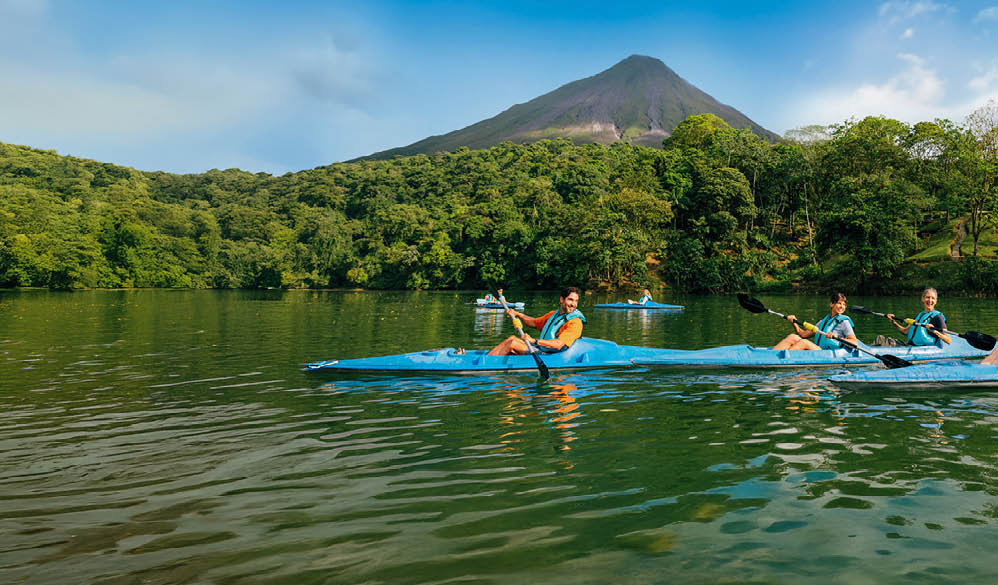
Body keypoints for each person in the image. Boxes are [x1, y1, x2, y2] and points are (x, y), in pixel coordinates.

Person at [488, 286, 585, 355]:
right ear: (562, 300)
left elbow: (558, 344)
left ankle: (487, 364)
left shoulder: (575, 322)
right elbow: (534, 322)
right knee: (512, 338)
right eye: (570, 300)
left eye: (576, 301)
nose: (573, 304)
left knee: (512, 344)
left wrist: (534, 341)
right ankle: (489, 358)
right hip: (543, 348)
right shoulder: (554, 314)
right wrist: (518, 314)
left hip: (551, 354)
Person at [773, 292, 859, 350]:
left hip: (828, 353)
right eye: (839, 303)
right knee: (792, 337)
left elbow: (854, 342)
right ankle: (771, 355)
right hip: (817, 350)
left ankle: (782, 360)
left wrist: (837, 337)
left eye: (844, 304)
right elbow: (803, 334)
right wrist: (794, 322)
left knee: (804, 342)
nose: (842, 306)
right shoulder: (822, 322)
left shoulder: (844, 322)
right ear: (831, 304)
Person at [879, 287, 951, 346]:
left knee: (881, 341)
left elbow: (948, 340)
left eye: (933, 298)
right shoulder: (920, 315)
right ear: (923, 299)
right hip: (909, 346)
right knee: (880, 339)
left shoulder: (938, 317)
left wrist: (935, 331)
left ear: (936, 301)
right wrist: (894, 322)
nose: (930, 300)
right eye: (927, 297)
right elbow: (905, 331)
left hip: (923, 350)